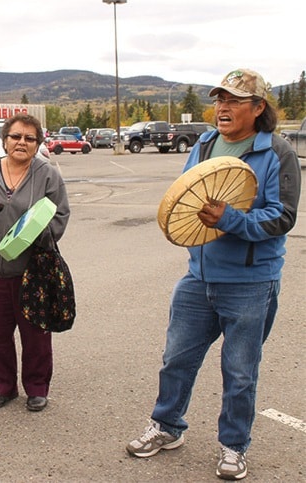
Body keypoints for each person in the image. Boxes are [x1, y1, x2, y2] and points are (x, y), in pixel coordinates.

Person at [126, 68, 301, 480]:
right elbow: (187, 196)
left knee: (240, 373)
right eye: (220, 99)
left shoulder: (277, 152)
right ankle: (167, 427)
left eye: (234, 101)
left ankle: (234, 446)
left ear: (258, 108)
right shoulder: (205, 143)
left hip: (250, 283)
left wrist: (232, 220)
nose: (222, 107)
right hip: (198, 277)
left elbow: (283, 217)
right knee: (176, 360)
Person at [0, 113, 70, 412]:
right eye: (16, 136)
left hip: (32, 270)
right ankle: (4, 386)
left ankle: (36, 388)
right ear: (5, 139)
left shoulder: (48, 175)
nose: (22, 142)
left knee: (35, 333)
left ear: (37, 144)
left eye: (29, 138)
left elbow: (59, 217)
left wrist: (33, 234)